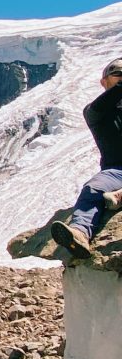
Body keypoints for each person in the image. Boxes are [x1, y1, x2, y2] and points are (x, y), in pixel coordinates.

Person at [51, 58, 122, 258]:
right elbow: (106, 102)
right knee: (94, 187)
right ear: (104, 82)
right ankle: (79, 234)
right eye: (118, 75)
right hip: (116, 171)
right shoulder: (95, 112)